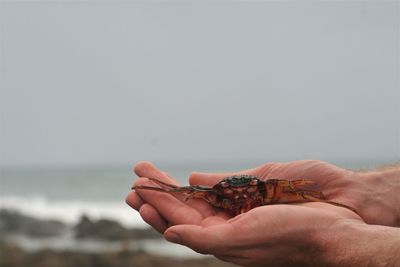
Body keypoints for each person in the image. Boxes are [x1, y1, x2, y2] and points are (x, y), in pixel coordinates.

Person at [126, 160, 400, 267]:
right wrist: (362, 190)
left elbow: (290, 189)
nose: (240, 192)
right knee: (179, 191)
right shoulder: (214, 195)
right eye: (232, 190)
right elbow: (188, 191)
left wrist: (330, 240)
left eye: (247, 189)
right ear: (220, 192)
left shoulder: (269, 190)